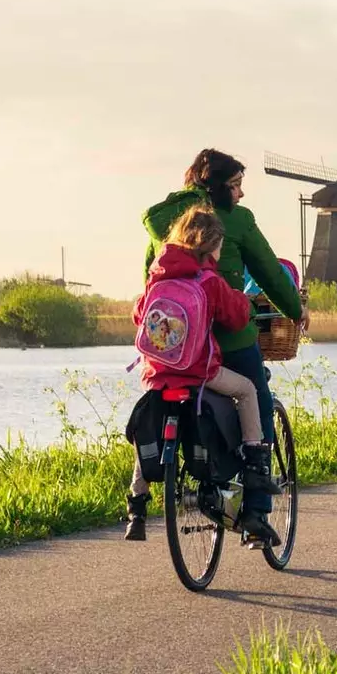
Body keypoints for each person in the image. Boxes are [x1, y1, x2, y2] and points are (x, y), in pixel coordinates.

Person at [137, 149, 307, 545]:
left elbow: (150, 277)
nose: (241, 195)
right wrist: (295, 310)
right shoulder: (235, 222)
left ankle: (140, 494)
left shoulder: (163, 220)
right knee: (257, 399)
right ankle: (257, 512)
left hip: (175, 347)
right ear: (215, 187)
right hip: (226, 340)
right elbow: (269, 271)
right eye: (235, 186)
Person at [126, 206, 279, 539]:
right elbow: (236, 316)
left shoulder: (158, 276)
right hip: (198, 373)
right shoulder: (208, 280)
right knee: (247, 390)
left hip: (157, 375)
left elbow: (140, 314)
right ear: (211, 245)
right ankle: (256, 464)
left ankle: (136, 502)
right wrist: (245, 302)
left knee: (151, 419)